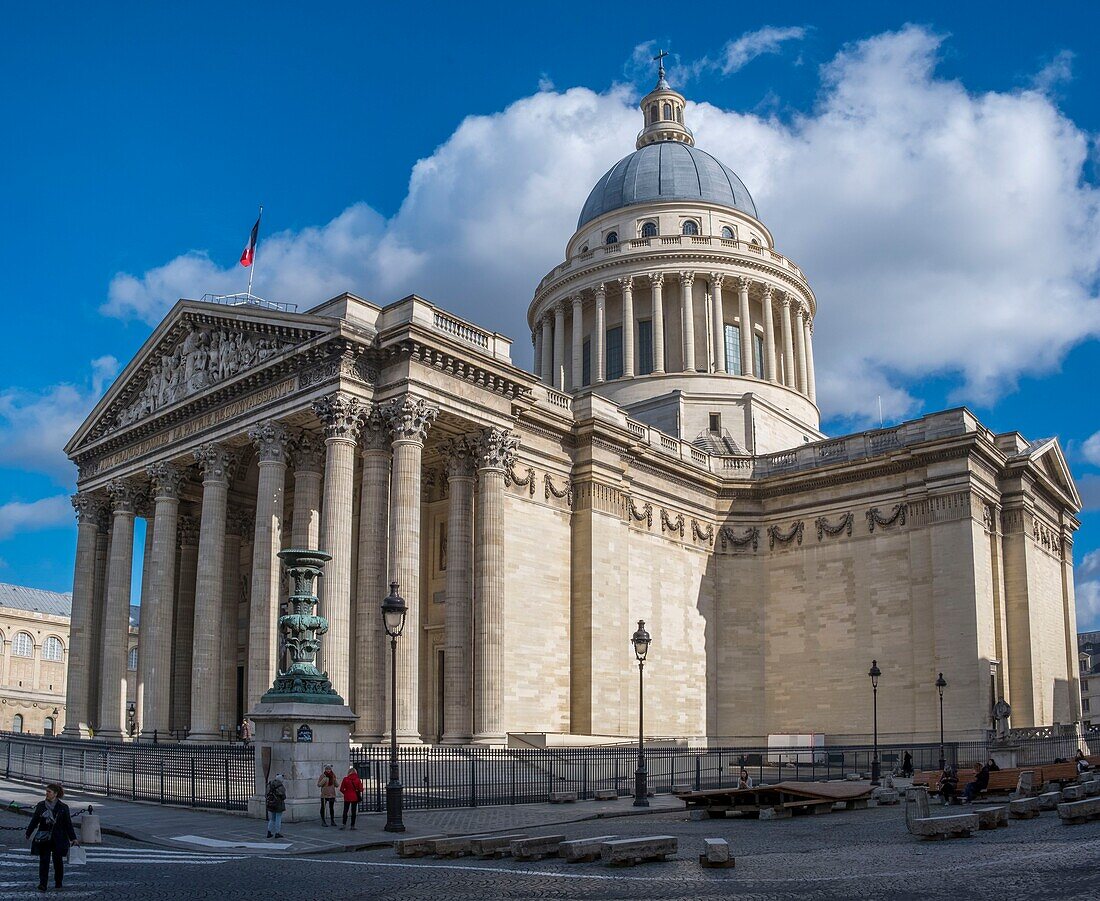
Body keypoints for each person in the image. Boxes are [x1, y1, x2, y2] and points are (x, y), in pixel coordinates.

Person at [25, 783, 78, 892]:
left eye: (49, 792)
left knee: (57, 861)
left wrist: (73, 838)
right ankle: (43, 883)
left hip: (58, 838)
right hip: (44, 837)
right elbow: (35, 820)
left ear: (55, 794)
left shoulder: (63, 807)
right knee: (44, 860)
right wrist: (28, 832)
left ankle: (58, 882)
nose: (47, 794)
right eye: (46, 791)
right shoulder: (41, 805)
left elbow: (68, 824)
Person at [339, 765, 363, 830]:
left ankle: (344, 824)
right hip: (354, 797)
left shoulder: (345, 779)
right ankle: (352, 825)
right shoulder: (357, 779)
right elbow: (361, 789)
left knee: (345, 811)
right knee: (353, 812)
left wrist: (345, 793)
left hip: (347, 797)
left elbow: (341, 789)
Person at [265, 774, 286, 838]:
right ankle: (277, 832)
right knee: (278, 818)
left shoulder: (270, 784)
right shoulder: (279, 785)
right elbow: (283, 796)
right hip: (278, 803)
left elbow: (266, 794)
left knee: (272, 818)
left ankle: (269, 831)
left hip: (271, 803)